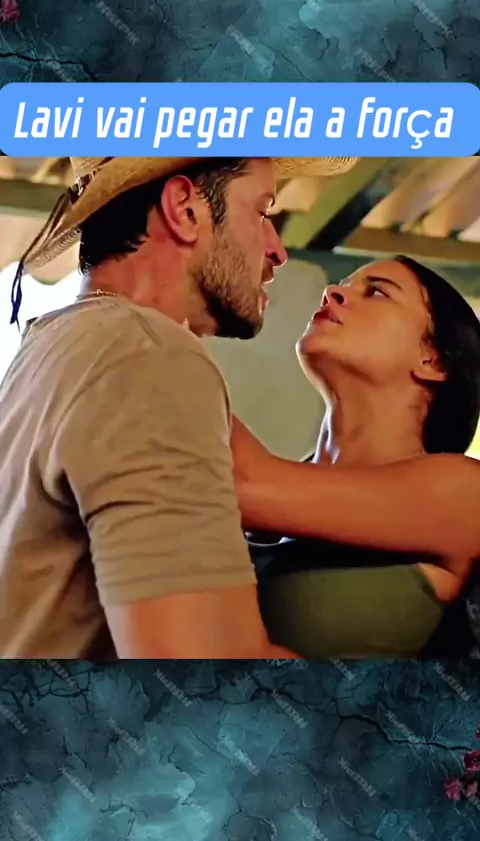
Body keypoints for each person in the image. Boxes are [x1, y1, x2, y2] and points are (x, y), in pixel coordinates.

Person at [0, 154, 357, 659]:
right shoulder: (148, 354)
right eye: (262, 212)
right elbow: (202, 671)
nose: (277, 250)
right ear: (185, 210)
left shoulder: (55, 343)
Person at [232, 255, 480, 658]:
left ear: (432, 359)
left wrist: (163, 313)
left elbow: (236, 485)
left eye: (377, 292)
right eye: (344, 284)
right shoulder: (272, 488)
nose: (333, 292)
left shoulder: (465, 491)